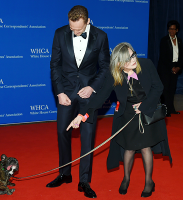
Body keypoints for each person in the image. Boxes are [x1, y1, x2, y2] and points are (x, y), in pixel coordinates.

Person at [67, 42, 172, 198]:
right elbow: (100, 97)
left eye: (133, 54)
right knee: (129, 148)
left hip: (147, 111)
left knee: (145, 148)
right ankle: (126, 178)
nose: (133, 60)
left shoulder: (146, 64)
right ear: (119, 63)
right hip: (128, 114)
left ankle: (149, 181)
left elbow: (158, 87)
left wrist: (144, 106)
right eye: (128, 58)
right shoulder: (114, 74)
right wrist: (81, 115)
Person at [47, 5, 110, 198]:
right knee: (62, 133)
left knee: (87, 137)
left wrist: (92, 87)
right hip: (66, 93)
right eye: (72, 28)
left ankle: (84, 180)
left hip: (88, 94)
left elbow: (105, 66)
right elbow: (55, 65)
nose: (74, 32)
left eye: (79, 30)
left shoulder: (100, 36)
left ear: (88, 21)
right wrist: (59, 92)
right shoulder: (59, 33)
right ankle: (64, 173)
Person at [157, 20, 183, 117]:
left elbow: (181, 56)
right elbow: (163, 56)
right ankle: (165, 110)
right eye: (170, 29)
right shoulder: (164, 40)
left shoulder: (180, 41)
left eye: (173, 29)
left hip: (176, 67)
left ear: (177, 30)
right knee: (165, 89)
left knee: (172, 89)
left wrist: (179, 67)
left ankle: (171, 109)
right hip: (165, 67)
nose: (171, 31)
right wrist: (172, 67)